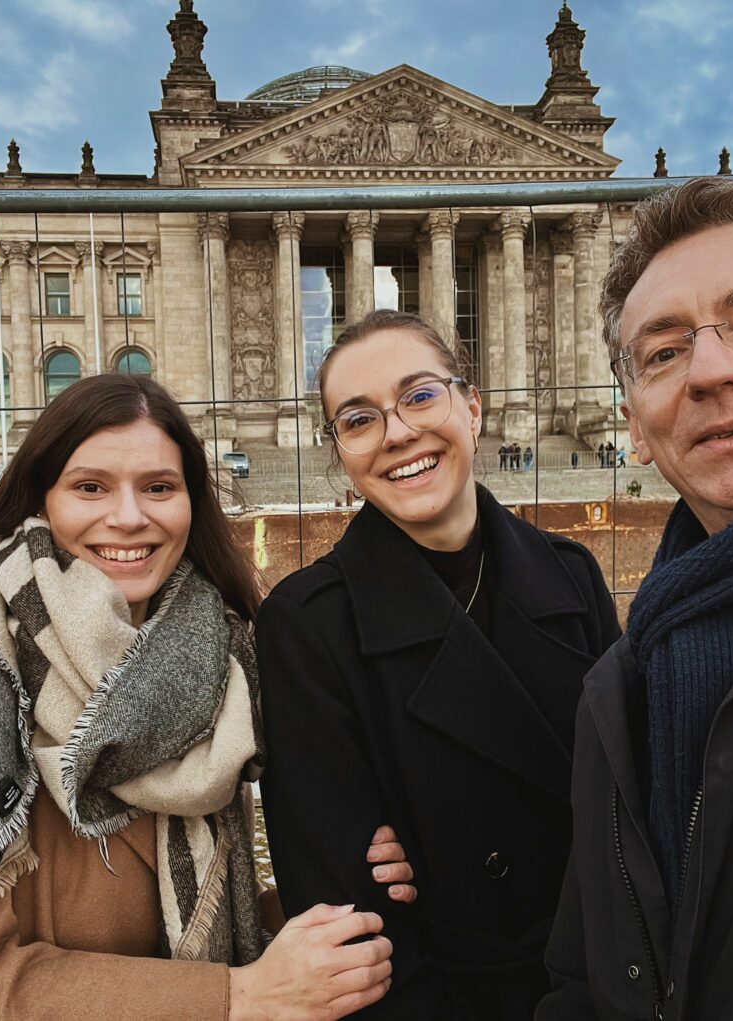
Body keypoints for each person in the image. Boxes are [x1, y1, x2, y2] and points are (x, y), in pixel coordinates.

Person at [0, 372, 409, 1021]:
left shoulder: (220, 669)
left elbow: (205, 910)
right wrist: (238, 996)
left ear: (190, 505)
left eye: (159, 488)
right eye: (91, 487)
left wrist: (361, 879)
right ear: (41, 500)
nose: (130, 516)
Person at [257, 310, 620, 1019]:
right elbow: (348, 923)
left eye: (420, 395)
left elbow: (624, 817)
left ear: (472, 406)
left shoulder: (572, 578)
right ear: (339, 451)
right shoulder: (307, 624)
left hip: (603, 986)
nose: (397, 433)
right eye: (358, 420)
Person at [537, 177, 733, 1020]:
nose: (714, 370)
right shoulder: (623, 682)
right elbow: (582, 973)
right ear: (635, 423)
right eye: (665, 350)